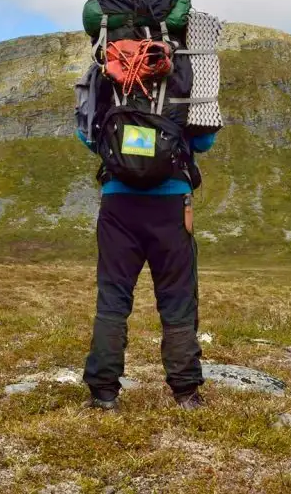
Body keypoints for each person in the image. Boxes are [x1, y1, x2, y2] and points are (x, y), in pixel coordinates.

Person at [76, 126, 216, 411]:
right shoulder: (185, 79)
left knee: (113, 296)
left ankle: (104, 394)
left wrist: (128, 152)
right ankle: (186, 394)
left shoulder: (104, 79)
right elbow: (204, 139)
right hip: (172, 201)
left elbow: (87, 133)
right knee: (178, 296)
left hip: (118, 199)